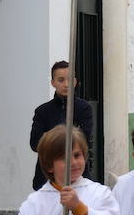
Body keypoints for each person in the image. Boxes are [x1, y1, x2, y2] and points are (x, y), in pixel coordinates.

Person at [29, 60, 95, 191]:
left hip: (77, 176)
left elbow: (84, 140)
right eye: (60, 80)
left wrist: (49, 137)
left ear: (75, 82)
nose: (66, 84)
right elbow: (35, 144)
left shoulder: (84, 109)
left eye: (69, 80)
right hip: (47, 177)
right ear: (53, 82)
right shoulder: (42, 111)